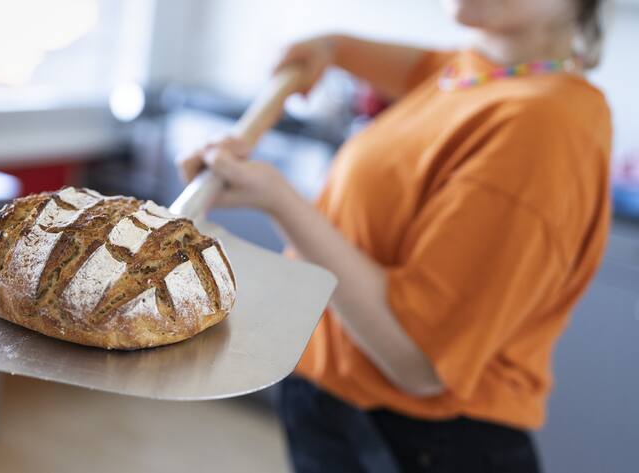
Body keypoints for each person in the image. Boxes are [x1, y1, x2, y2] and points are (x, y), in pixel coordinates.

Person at [179, 0, 611, 471]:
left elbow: (418, 362)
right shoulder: (479, 72)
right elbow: (431, 66)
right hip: (340, 405)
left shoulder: (541, 126)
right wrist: (334, 47)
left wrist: (278, 201)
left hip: (419, 442)